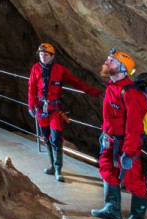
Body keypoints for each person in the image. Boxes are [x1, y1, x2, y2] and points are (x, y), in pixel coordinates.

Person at [90, 49, 147, 219]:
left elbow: (134, 127)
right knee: (107, 169)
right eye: (108, 59)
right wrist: (105, 134)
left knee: (133, 180)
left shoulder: (131, 94)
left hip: (126, 144)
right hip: (110, 141)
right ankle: (112, 209)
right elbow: (110, 117)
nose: (107, 62)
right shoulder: (111, 85)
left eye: (111, 61)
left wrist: (129, 153)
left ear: (122, 68)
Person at [26, 42, 100, 182]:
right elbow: (31, 89)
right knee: (46, 138)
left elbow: (76, 82)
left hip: (55, 109)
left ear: (52, 56)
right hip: (41, 109)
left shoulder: (60, 70)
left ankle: (58, 169)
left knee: (56, 138)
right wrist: (31, 106)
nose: (43, 57)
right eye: (41, 55)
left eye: (46, 55)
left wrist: (95, 93)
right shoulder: (35, 69)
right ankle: (52, 166)